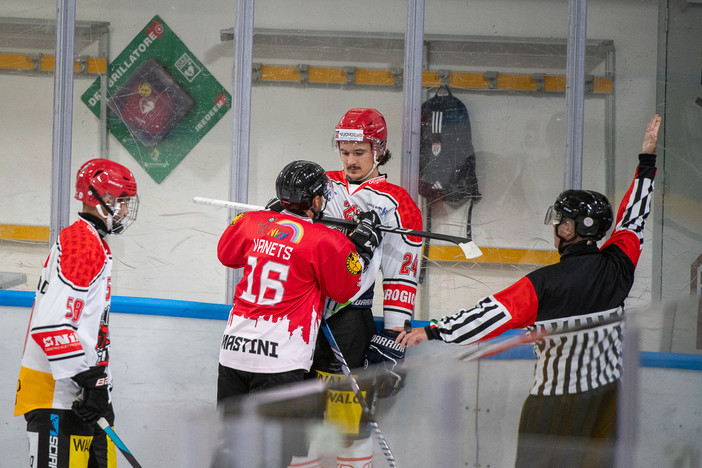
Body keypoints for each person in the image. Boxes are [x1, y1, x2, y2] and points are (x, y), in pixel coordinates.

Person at [396, 114, 662, 468]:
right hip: (607, 400)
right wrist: (646, 163)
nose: (555, 227)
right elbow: (634, 217)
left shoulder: (544, 283)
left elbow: (489, 316)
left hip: (554, 404)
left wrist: (432, 331)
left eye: (559, 221)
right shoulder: (619, 265)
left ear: (568, 229)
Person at [213, 160, 382, 466]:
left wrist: (265, 221)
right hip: (279, 362)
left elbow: (226, 253)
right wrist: (360, 247)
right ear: (316, 201)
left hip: (233, 354)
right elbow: (344, 288)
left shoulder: (252, 222)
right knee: (273, 456)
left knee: (232, 448)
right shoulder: (324, 239)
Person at [306, 108, 424, 466]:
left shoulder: (396, 202)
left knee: (347, 425)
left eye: (359, 152)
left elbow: (402, 270)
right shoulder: (319, 184)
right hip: (306, 315)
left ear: (378, 149)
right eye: (344, 151)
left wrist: (394, 330)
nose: (350, 160)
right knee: (303, 421)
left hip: (351, 319)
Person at [14, 158, 139, 468]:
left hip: (81, 393)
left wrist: (98, 386)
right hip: (58, 395)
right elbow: (52, 326)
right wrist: (88, 382)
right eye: (122, 202)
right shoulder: (81, 243)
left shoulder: (93, 242)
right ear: (103, 200)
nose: (125, 210)